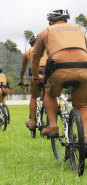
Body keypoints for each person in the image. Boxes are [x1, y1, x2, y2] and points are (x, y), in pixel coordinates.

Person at [31, 8, 87, 138]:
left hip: (59, 70)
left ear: (50, 22)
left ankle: (53, 126)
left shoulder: (46, 32)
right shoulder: (79, 29)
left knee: (49, 93)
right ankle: (85, 137)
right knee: (83, 105)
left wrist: (35, 76)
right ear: (66, 20)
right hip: (84, 69)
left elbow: (35, 58)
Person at [17, 34, 47, 131]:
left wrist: (21, 80)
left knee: (34, 97)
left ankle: (33, 122)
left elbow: (22, 70)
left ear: (31, 44)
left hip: (36, 76)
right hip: (48, 75)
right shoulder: (47, 49)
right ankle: (51, 122)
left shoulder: (27, 53)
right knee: (49, 96)